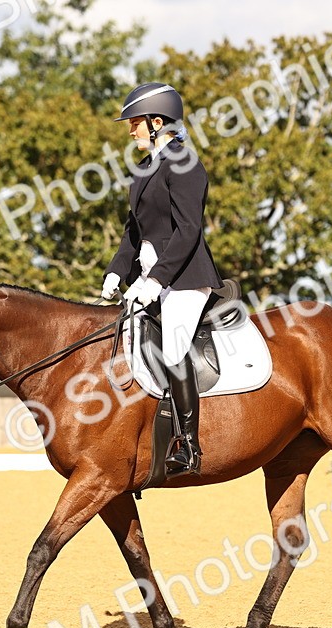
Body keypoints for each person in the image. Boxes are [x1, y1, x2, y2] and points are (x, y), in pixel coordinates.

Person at [101, 82, 223, 476]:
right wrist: (117, 270)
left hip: (184, 277)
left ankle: (188, 445)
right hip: (148, 277)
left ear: (157, 122)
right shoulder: (143, 169)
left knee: (173, 349)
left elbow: (189, 230)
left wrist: (156, 280)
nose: (130, 130)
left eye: (134, 123)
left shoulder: (185, 163)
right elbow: (133, 232)